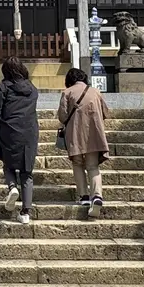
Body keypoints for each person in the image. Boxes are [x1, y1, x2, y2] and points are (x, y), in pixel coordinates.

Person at [0, 57, 40, 224]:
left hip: (9, 130)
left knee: (8, 163)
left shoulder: (3, 87)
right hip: (29, 132)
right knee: (27, 172)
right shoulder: (32, 88)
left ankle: (12, 187)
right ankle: (26, 213)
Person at [57, 67, 110, 219]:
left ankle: (84, 196)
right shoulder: (95, 92)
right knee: (93, 166)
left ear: (69, 80)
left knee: (78, 164)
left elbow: (62, 116)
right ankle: (97, 196)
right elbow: (105, 112)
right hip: (94, 134)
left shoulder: (67, 93)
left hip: (75, 135)